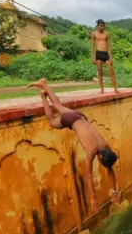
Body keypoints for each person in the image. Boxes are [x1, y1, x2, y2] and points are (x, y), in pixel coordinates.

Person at [28, 78, 121, 209]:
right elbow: (89, 175)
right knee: (52, 122)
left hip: (79, 117)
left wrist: (114, 190)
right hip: (70, 120)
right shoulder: (92, 151)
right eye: (101, 162)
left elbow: (110, 168)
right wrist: (93, 198)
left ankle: (44, 85)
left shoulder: (105, 147)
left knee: (58, 105)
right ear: (100, 157)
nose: (100, 163)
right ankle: (43, 98)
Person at [91, 19, 119, 94]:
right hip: (98, 53)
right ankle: (102, 90)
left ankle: (115, 89)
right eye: (101, 26)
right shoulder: (94, 33)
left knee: (111, 72)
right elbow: (92, 46)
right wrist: (93, 57)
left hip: (106, 54)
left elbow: (109, 46)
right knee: (100, 73)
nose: (102, 27)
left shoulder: (106, 34)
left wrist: (111, 57)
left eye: (103, 26)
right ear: (98, 25)